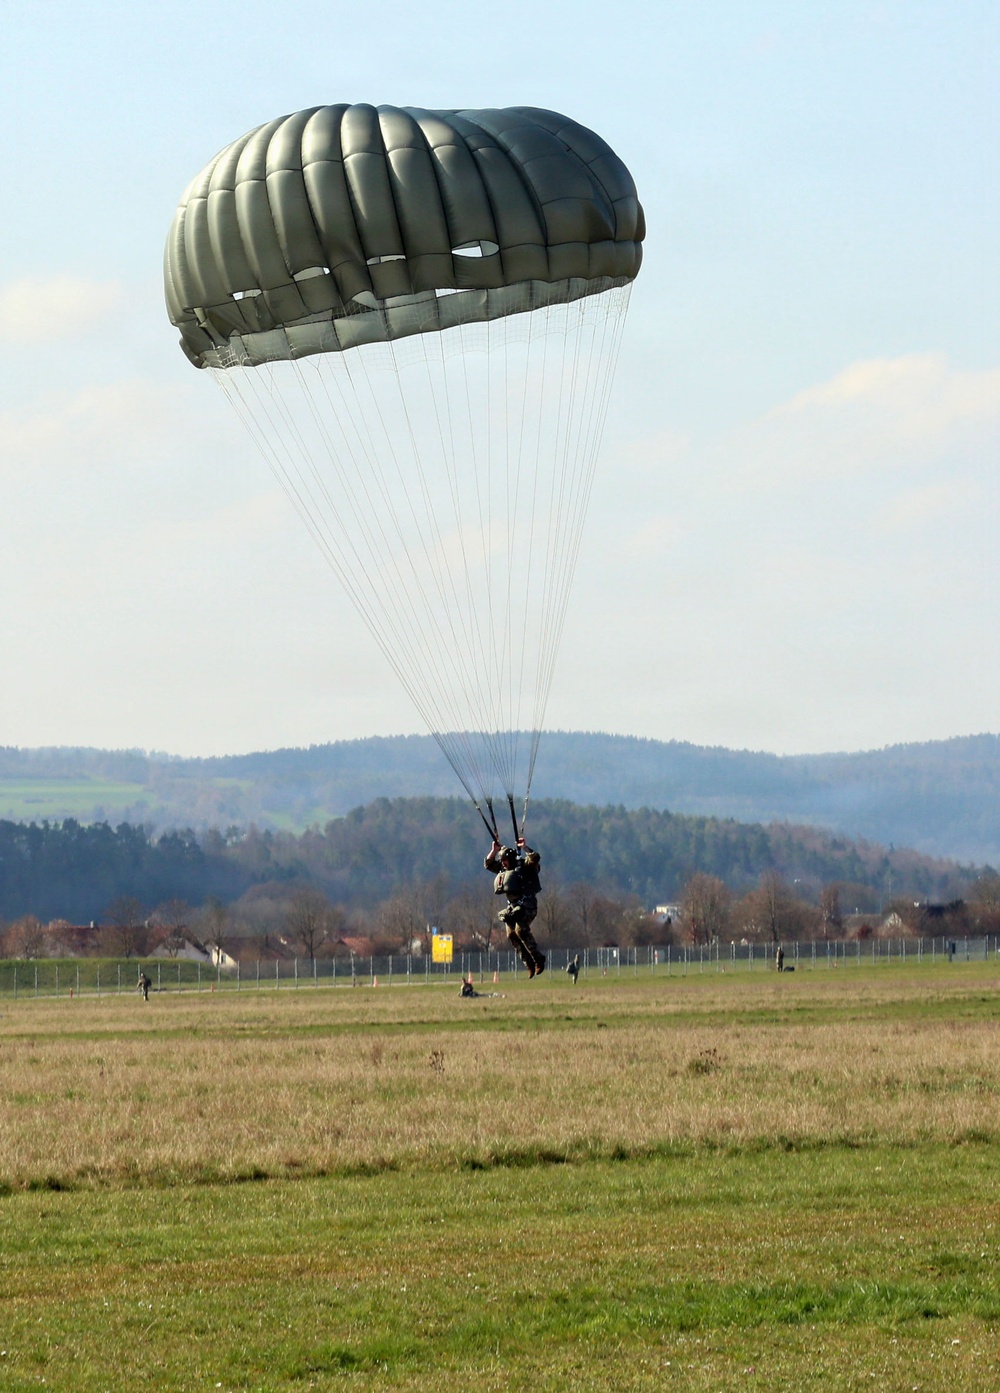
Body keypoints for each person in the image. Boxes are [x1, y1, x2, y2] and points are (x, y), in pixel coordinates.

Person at [485, 838, 546, 978]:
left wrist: (524, 847)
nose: (503, 863)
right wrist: (494, 850)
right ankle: (529, 963)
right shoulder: (503, 869)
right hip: (513, 908)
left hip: (527, 906)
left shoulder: (524, 866)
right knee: (511, 934)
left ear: (511, 859)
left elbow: (535, 858)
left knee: (520, 930)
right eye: (502, 860)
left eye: (505, 860)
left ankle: (538, 959)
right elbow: (488, 864)